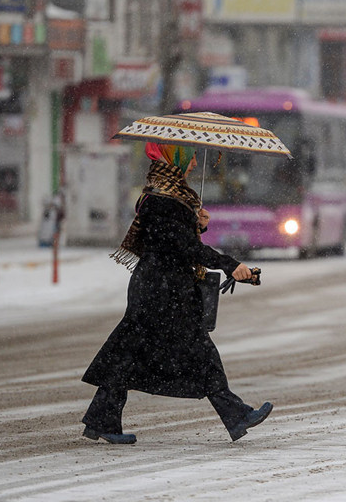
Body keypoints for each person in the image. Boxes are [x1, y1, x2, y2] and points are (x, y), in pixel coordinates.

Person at [81, 142, 272, 445]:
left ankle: (101, 420)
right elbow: (183, 248)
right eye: (192, 156)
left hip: (159, 287)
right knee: (197, 350)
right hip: (162, 291)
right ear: (176, 157)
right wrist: (228, 264)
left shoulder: (169, 196)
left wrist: (196, 224)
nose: (195, 163)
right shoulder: (164, 199)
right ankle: (235, 415)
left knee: (129, 354)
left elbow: (174, 242)